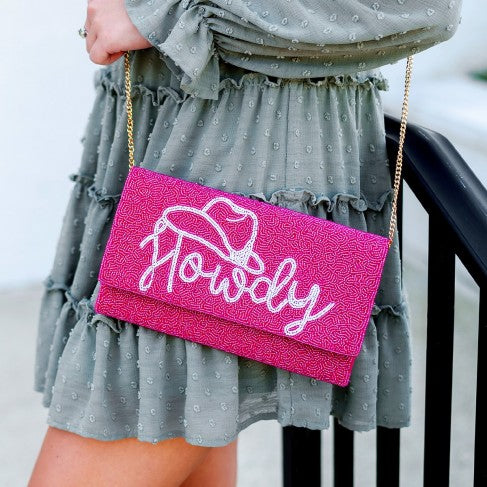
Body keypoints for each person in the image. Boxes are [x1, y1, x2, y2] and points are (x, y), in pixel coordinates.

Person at [29, 1, 462, 485]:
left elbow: (428, 8)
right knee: (188, 412)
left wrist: (167, 16)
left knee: (149, 395)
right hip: (163, 138)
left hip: (248, 161)